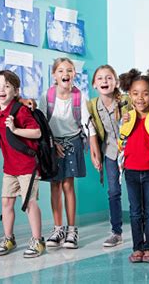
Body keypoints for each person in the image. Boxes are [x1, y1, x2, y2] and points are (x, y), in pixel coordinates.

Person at [0, 70, 46, 258]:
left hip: (28, 165)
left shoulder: (21, 110)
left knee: (28, 203)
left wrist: (15, 129)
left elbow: (37, 133)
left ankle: (38, 241)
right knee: (6, 202)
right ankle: (8, 238)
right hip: (9, 167)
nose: (2, 90)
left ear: (16, 91)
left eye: (7, 86)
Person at [118, 67, 149, 263]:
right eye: (135, 93)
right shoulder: (127, 117)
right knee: (135, 211)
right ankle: (137, 247)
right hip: (131, 170)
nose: (140, 98)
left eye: (145, 93)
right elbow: (121, 142)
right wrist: (123, 123)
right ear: (129, 94)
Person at [38, 57, 90, 249]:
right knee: (55, 186)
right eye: (60, 71)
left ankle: (71, 230)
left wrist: (92, 148)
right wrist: (52, 144)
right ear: (54, 75)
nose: (65, 74)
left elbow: (86, 123)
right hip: (53, 143)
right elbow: (42, 123)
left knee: (68, 185)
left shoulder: (79, 96)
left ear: (74, 74)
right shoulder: (47, 96)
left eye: (69, 70)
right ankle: (58, 228)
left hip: (72, 141)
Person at [88, 65, 131, 247]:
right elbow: (91, 131)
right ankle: (116, 232)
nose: (105, 81)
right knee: (113, 191)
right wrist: (94, 154)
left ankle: (142, 227)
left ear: (116, 82)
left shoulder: (127, 100)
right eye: (100, 78)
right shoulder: (92, 106)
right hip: (111, 152)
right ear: (94, 84)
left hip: (131, 150)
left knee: (137, 190)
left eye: (109, 78)